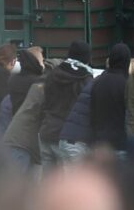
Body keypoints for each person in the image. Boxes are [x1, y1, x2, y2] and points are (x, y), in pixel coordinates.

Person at [38, 40, 93, 173]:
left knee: (48, 182)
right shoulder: (85, 79)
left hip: (46, 130)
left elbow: (44, 103)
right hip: (68, 138)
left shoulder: (53, 74)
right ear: (87, 57)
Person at [90, 43, 131, 155]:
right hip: (120, 143)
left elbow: (92, 112)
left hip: (100, 143)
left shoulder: (98, 81)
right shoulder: (127, 83)